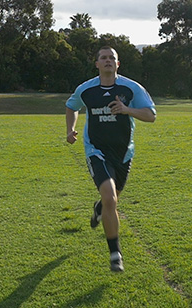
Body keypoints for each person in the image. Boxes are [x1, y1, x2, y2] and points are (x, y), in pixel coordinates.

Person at [65, 46, 156, 272]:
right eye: (103, 58)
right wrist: (70, 129)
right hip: (96, 150)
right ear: (96, 64)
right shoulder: (86, 90)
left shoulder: (131, 88)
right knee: (110, 198)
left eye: (111, 58)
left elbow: (151, 115)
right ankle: (115, 253)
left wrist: (127, 110)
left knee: (110, 200)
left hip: (124, 153)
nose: (107, 61)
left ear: (118, 63)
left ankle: (99, 208)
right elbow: (71, 106)